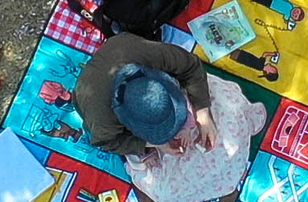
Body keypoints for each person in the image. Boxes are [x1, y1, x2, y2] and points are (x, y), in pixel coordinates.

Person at [74, 32, 218, 166]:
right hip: (90, 94)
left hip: (119, 49)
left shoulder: (147, 54)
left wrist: (202, 112)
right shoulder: (102, 122)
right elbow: (108, 142)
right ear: (128, 125)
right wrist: (149, 144)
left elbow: (190, 65)